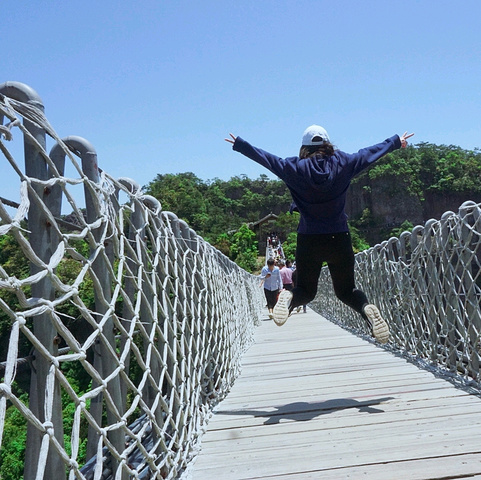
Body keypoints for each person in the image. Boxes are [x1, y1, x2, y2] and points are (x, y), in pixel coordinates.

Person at [225, 125, 414, 343]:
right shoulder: (344, 162)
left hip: (309, 239)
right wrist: (395, 142)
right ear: (327, 144)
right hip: (339, 238)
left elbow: (268, 160)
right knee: (347, 291)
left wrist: (241, 145)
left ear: (304, 147)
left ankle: (289, 299)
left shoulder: (294, 167)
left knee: (306, 290)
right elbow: (368, 154)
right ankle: (366, 308)